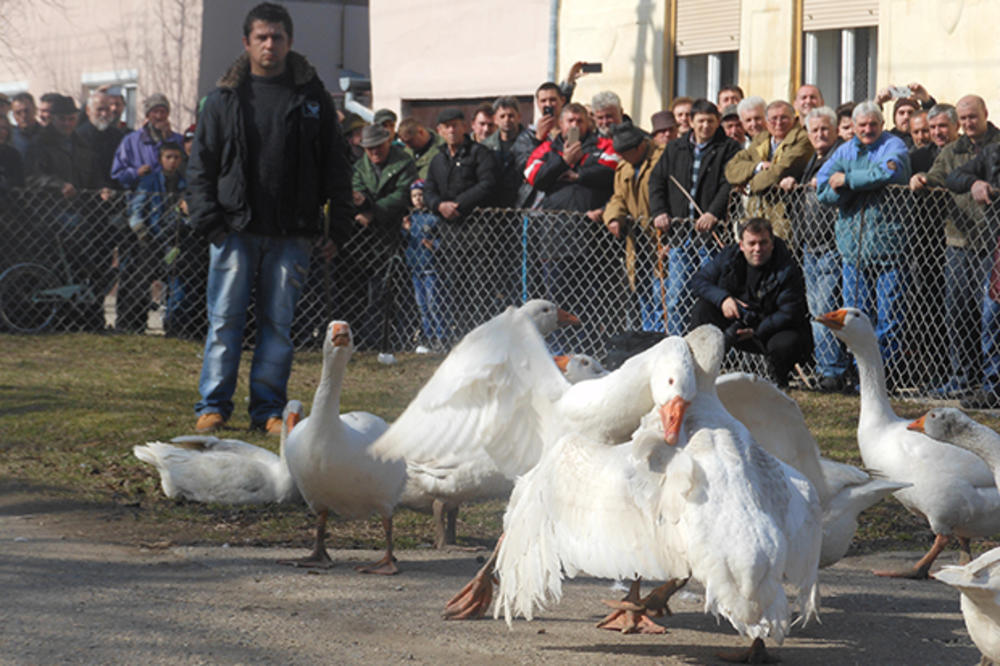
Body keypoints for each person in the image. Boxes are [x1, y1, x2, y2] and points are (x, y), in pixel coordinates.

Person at [186, 2, 352, 434]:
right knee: (224, 321)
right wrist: (210, 222)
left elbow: (336, 165)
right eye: (261, 37)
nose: (270, 44)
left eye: (277, 36)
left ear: (290, 42)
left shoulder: (313, 98)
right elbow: (200, 165)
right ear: (246, 43)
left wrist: (338, 227)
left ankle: (268, 411)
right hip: (233, 230)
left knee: (278, 326)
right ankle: (213, 406)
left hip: (293, 233)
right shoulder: (223, 100)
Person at [817, 101, 912, 383]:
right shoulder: (844, 150)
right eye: (862, 126)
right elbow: (823, 190)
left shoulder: (895, 146)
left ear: (882, 125)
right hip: (853, 250)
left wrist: (846, 180)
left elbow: (888, 173)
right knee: (857, 318)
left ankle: (886, 376)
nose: (868, 130)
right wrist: (848, 190)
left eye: (873, 124)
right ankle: (861, 375)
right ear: (854, 127)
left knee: (889, 318)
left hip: (890, 247)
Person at [922, 95, 1000, 405]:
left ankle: (989, 382)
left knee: (989, 316)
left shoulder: (996, 145)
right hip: (959, 240)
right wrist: (925, 179)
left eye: (972, 117)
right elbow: (946, 176)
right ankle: (963, 377)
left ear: (986, 114)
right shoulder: (956, 149)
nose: (968, 124)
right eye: (963, 119)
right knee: (959, 312)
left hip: (993, 244)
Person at [523, 102, 616, 347]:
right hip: (556, 238)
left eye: (579, 121)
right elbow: (535, 177)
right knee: (558, 299)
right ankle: (561, 348)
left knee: (593, 298)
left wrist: (579, 175)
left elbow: (611, 170)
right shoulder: (547, 148)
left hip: (594, 238)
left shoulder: (602, 145)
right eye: (570, 121)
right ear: (561, 124)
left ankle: (593, 348)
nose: (575, 125)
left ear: (588, 123)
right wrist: (563, 161)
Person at [649, 98, 742, 334]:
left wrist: (713, 212)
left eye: (710, 121)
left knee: (715, 294)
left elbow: (728, 183)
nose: (705, 126)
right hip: (681, 234)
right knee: (677, 296)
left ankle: (718, 347)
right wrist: (659, 211)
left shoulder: (728, 148)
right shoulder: (675, 148)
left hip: (711, 236)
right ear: (690, 122)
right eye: (700, 121)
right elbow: (657, 180)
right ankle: (676, 345)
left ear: (718, 121)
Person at [690, 217, 812, 387]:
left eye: (763, 243)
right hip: (735, 320)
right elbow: (698, 281)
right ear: (741, 245)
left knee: (786, 342)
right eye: (751, 243)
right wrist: (723, 299)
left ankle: (779, 379)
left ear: (772, 243)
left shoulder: (786, 268)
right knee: (702, 309)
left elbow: (790, 312)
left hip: (768, 328)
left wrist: (756, 330)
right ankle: (700, 373)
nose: (757, 249)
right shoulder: (729, 256)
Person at [25, 94, 111, 331]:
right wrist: (57, 185)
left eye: (71, 119)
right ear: (52, 119)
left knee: (99, 254)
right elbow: (32, 177)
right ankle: (62, 315)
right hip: (50, 214)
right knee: (74, 257)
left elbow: (95, 175)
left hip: (83, 211)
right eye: (62, 119)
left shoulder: (83, 143)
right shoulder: (39, 144)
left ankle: (90, 315)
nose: (67, 124)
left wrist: (103, 188)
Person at [779, 106, 848, 391]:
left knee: (826, 309)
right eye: (815, 130)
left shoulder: (839, 157)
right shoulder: (812, 160)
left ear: (834, 131)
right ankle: (824, 367)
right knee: (815, 309)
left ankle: (833, 371)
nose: (820, 134)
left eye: (825, 129)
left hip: (830, 244)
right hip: (810, 245)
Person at [423, 107, 497, 337]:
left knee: (480, 290)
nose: (452, 130)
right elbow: (428, 189)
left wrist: (459, 205)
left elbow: (487, 183)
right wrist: (438, 206)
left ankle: (483, 339)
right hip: (450, 237)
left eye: (456, 124)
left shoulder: (480, 154)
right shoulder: (437, 160)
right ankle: (460, 337)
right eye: (447, 126)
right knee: (454, 290)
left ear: (465, 126)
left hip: (478, 236)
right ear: (440, 131)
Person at [344, 124, 418, 348]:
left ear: (387, 141)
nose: (374, 152)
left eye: (378, 146)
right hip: (367, 242)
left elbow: (402, 194)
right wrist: (362, 204)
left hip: (396, 235)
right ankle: (369, 338)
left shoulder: (403, 162)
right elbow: (357, 190)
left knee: (399, 291)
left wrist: (373, 211)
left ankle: (401, 337)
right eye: (369, 148)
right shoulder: (360, 167)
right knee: (368, 292)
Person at [946, 140, 1000, 409]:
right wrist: (974, 184)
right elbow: (953, 177)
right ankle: (993, 387)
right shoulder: (993, 152)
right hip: (997, 247)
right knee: (991, 317)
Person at [603, 122, 665, 330]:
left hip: (661, 238)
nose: (622, 158)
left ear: (640, 147)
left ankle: (662, 340)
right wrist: (613, 216)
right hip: (637, 243)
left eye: (626, 153)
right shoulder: (624, 167)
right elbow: (618, 197)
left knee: (663, 296)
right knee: (643, 292)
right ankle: (649, 339)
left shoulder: (662, 159)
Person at [122, 142, 188, 334]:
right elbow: (136, 208)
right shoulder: (150, 182)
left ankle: (174, 325)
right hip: (151, 238)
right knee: (140, 282)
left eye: (176, 157)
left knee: (177, 282)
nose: (172, 161)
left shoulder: (184, 184)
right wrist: (142, 232)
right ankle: (132, 323)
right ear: (160, 159)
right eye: (168, 157)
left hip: (175, 239)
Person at [725, 100, 813, 240]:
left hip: (785, 216)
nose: (778, 122)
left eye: (784, 117)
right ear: (767, 121)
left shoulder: (803, 139)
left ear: (794, 119)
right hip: (757, 214)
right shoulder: (762, 138)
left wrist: (748, 185)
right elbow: (731, 169)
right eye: (773, 118)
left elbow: (778, 172)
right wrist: (757, 167)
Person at [402, 180, 447, 353]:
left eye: (421, 195)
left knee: (434, 302)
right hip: (415, 266)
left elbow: (444, 239)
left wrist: (434, 245)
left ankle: (441, 337)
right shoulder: (411, 218)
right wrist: (406, 229)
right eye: (414, 196)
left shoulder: (433, 218)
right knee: (422, 305)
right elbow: (405, 240)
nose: (418, 199)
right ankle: (427, 337)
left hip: (431, 267)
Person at [111, 93, 184, 189]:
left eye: (163, 112)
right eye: (155, 112)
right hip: (141, 197)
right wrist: (136, 172)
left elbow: (186, 169)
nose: (159, 116)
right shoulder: (131, 141)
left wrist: (168, 139)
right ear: (147, 115)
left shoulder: (178, 140)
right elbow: (117, 174)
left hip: (171, 196)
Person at [75, 90, 125, 191]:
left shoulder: (118, 136)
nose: (104, 114)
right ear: (88, 111)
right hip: (86, 194)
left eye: (107, 109)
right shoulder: (78, 136)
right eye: (99, 109)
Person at [481, 96, 523, 206]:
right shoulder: (485, 146)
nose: (507, 120)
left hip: (524, 202)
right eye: (502, 116)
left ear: (519, 117)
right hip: (496, 204)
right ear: (495, 119)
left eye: (511, 116)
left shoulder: (530, 143)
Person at [10, 92, 41, 158]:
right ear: (13, 115)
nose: (23, 115)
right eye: (18, 113)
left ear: (35, 110)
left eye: (26, 111)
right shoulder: (9, 138)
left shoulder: (49, 135)